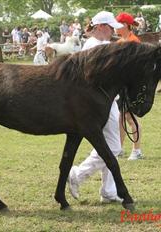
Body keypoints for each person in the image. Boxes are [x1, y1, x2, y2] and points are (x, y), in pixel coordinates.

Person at [68, 11, 124, 203]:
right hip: (100, 103)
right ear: (100, 27)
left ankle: (108, 191)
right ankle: (78, 174)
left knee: (111, 146)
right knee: (114, 147)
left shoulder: (101, 44)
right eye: (110, 28)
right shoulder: (93, 46)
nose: (112, 31)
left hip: (107, 101)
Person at [115, 12, 143, 160]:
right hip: (121, 86)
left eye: (118, 24)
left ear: (125, 25)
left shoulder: (134, 42)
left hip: (132, 86)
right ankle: (118, 148)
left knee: (131, 118)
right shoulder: (119, 42)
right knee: (121, 118)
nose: (115, 27)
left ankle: (137, 151)